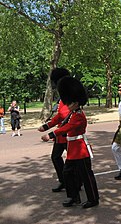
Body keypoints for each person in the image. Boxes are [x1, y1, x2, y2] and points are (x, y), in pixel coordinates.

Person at [41, 76, 99, 208]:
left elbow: (67, 127)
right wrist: (47, 126)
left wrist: (50, 135)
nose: (67, 105)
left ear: (76, 103)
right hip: (73, 150)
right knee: (67, 173)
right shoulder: (72, 113)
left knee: (86, 176)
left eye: (70, 103)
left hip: (81, 150)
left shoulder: (78, 116)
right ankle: (73, 197)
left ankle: (93, 199)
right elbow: (60, 120)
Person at [38, 68, 70, 192]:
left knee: (74, 161)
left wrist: (50, 134)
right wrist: (46, 126)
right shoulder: (62, 99)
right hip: (61, 136)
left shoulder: (69, 99)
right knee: (55, 157)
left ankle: (76, 182)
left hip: (68, 135)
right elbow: (59, 117)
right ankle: (64, 181)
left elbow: (66, 119)